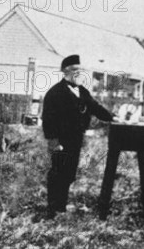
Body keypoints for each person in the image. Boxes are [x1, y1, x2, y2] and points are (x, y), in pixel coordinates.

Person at [42, 54, 115, 219]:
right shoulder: (55, 93)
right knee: (57, 173)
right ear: (65, 71)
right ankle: (52, 210)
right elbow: (48, 119)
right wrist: (53, 142)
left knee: (69, 174)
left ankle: (61, 207)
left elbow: (95, 107)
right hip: (60, 141)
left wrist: (112, 117)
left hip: (76, 139)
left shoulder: (82, 91)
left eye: (80, 70)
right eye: (74, 70)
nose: (78, 73)